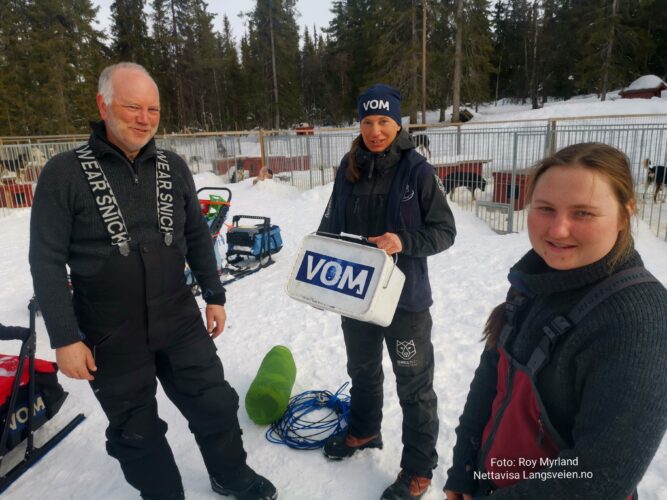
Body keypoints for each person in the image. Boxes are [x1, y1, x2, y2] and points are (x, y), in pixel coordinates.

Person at [29, 62, 277, 500]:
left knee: (214, 403)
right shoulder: (63, 174)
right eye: (132, 107)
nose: (144, 118)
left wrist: (214, 295)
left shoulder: (174, 166)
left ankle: (230, 475)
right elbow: (46, 260)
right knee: (135, 429)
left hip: (178, 315)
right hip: (110, 330)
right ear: (102, 105)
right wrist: (66, 337)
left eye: (153, 110)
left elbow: (197, 235)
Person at [444, 143, 667, 500]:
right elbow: (491, 379)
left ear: (625, 215)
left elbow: (598, 476)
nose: (558, 230)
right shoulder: (535, 279)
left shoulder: (637, 320)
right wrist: (464, 472)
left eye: (583, 213)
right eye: (545, 209)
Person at [318, 84, 457, 499]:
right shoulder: (349, 167)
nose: (375, 130)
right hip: (355, 296)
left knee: (413, 384)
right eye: (367, 122)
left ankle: (418, 468)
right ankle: (364, 431)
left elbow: (445, 231)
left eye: (383, 122)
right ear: (359, 124)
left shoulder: (417, 170)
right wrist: (321, 266)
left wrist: (404, 241)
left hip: (405, 302)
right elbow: (329, 225)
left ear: (398, 124)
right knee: (361, 370)